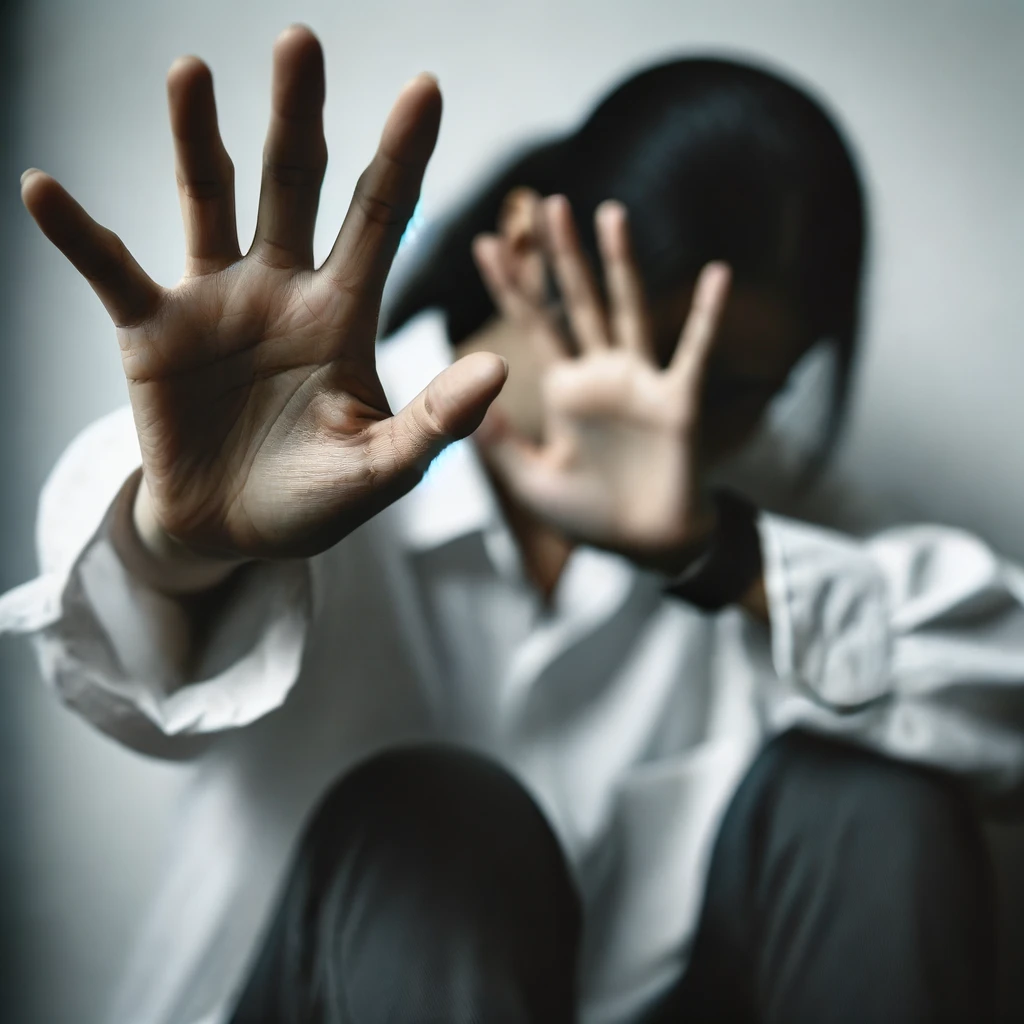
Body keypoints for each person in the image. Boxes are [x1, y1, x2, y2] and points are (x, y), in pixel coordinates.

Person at [0, 23, 1021, 1024]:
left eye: (738, 387)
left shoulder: (768, 505)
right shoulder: (320, 444)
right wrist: (188, 540)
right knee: (440, 816)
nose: (669, 410)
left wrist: (713, 551)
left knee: (877, 800)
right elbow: (127, 664)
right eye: (645, 336)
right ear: (533, 245)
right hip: (305, 988)